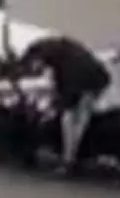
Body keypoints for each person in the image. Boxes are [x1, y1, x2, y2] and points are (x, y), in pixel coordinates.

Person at [32, 36, 112, 176]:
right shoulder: (61, 50)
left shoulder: (59, 63)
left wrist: (57, 101)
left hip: (84, 80)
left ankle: (69, 158)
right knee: (82, 116)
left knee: (69, 118)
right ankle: (72, 155)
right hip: (99, 77)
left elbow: (64, 90)